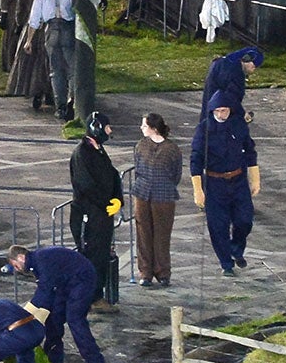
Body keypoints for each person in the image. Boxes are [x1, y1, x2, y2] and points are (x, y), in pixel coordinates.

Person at [5, 241, 103, 363]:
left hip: (82, 281)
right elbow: (47, 294)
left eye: (16, 266)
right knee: (53, 319)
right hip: (67, 283)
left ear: (21, 258)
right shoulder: (38, 262)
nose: (17, 270)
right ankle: (53, 362)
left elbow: (44, 291)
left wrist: (25, 315)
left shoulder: (41, 260)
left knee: (75, 319)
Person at [192, 95, 259, 275]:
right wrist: (197, 189)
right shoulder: (204, 129)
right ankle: (226, 263)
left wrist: (255, 178)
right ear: (212, 111)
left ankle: (236, 247)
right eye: (218, 111)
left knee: (244, 220)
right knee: (218, 225)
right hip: (215, 182)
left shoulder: (238, 125)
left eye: (225, 110)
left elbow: (250, 151)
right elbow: (196, 159)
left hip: (238, 180)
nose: (222, 114)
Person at [70, 113, 123, 305]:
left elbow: (113, 174)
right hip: (89, 215)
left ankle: (97, 293)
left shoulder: (98, 150)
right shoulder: (82, 153)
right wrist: (105, 203)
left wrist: (118, 199)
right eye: (107, 127)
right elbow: (86, 186)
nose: (109, 131)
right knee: (91, 256)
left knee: (101, 255)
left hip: (102, 214)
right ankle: (91, 296)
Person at [131, 113, 180, 287]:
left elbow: (176, 174)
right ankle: (145, 272)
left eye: (144, 126)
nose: (141, 129)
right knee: (143, 233)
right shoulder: (140, 146)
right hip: (142, 193)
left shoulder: (171, 149)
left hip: (164, 195)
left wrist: (164, 184)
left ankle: (163, 272)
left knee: (162, 234)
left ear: (154, 128)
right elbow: (138, 168)